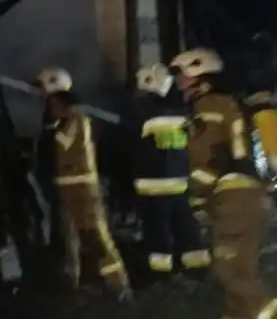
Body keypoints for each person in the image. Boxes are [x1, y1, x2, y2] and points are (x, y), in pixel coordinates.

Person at [170, 48, 277, 319]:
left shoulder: (209, 105)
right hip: (249, 196)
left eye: (180, 75)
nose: (177, 83)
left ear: (196, 74)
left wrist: (195, 197)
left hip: (234, 198)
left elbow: (202, 158)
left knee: (231, 273)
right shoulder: (231, 103)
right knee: (238, 274)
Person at [36, 67, 132, 301]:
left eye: (45, 93)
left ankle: (119, 287)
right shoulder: (62, 118)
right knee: (70, 240)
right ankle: (76, 285)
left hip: (82, 189)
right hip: (67, 187)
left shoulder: (75, 117)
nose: (43, 99)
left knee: (97, 238)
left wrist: (51, 124)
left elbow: (61, 141)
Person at [131, 63, 212, 278]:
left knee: (157, 232)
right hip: (180, 183)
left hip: (152, 186)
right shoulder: (182, 115)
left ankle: (160, 274)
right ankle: (198, 268)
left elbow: (130, 148)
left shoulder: (140, 115)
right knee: (186, 227)